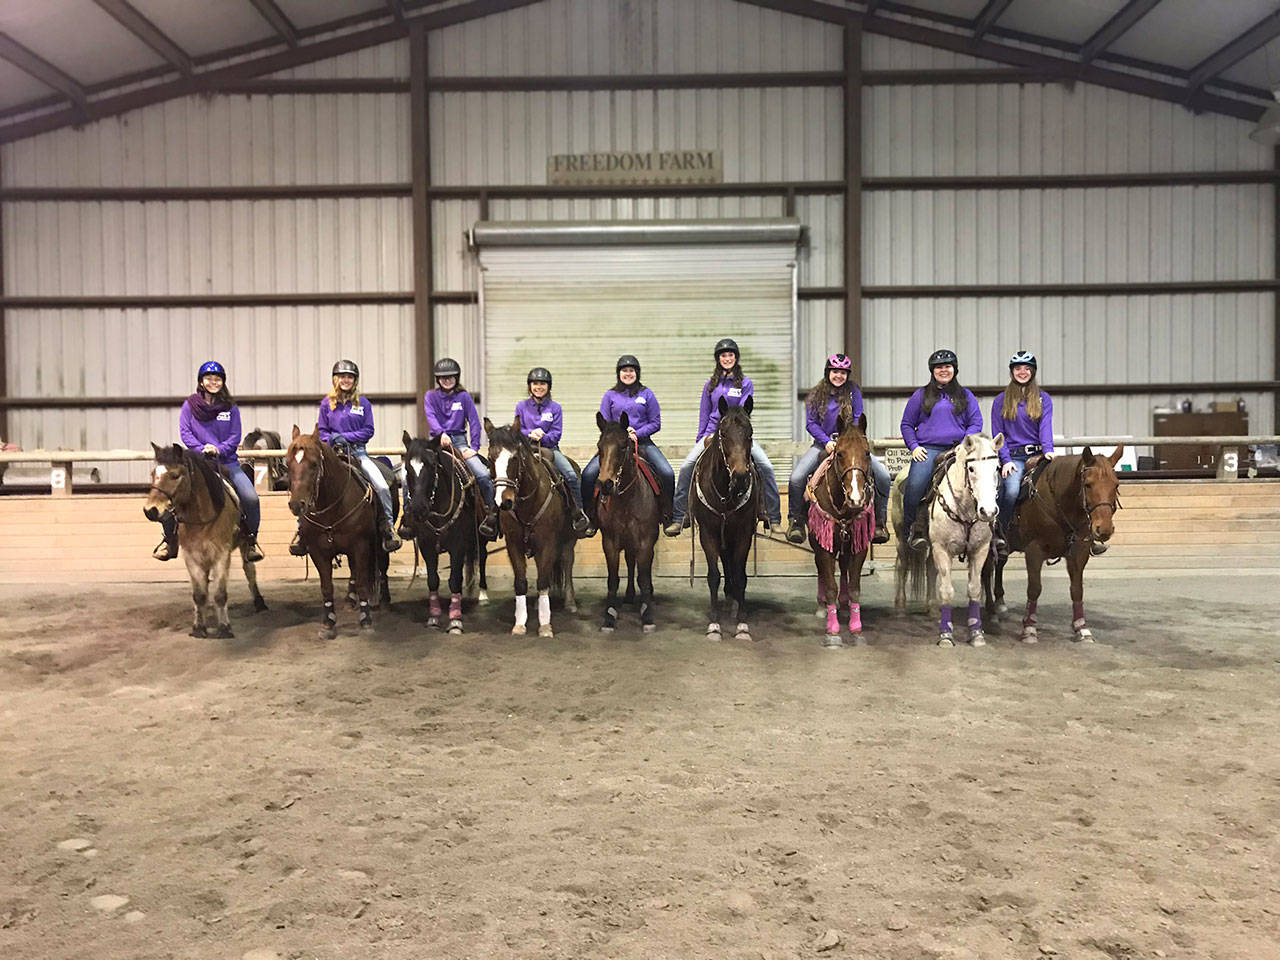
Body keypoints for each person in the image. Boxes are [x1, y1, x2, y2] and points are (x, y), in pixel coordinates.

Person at [666, 337, 781, 536]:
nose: (727, 358)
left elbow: (742, 412)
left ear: (736, 358)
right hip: (712, 433)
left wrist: (735, 431)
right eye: (723, 355)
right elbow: (704, 412)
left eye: (730, 355)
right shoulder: (710, 385)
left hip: (737, 435)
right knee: (686, 467)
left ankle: (772, 517)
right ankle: (680, 516)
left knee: (766, 467)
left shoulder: (746, 383)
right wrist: (701, 439)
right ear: (718, 359)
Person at [288, 359, 401, 556]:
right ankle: (301, 532)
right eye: (342, 377)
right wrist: (330, 439)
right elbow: (322, 431)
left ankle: (388, 529)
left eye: (350, 377)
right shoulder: (326, 404)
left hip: (358, 453)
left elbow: (368, 430)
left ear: (355, 381)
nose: (346, 380)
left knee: (382, 486)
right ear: (336, 379)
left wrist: (346, 437)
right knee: (310, 483)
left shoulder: (363, 403)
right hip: (332, 453)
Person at [153, 360, 263, 562]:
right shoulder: (190, 406)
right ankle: (170, 540)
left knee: (250, 498)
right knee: (171, 494)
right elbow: (185, 432)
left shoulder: (230, 408)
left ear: (223, 382)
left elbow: (235, 435)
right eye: (209, 378)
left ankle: (250, 540)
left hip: (227, 462)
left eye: (217, 379)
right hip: (198, 463)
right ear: (201, 382)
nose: (213, 382)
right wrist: (200, 449)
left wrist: (219, 449)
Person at [786, 352, 890, 545]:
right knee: (797, 478)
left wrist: (848, 438)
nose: (839, 376)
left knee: (883, 476)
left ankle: (880, 522)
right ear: (828, 372)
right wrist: (826, 441)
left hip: (849, 444)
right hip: (823, 444)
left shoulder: (853, 392)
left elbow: (858, 416)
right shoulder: (816, 395)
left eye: (843, 372)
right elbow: (811, 424)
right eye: (835, 371)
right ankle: (796, 521)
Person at [581, 355, 674, 535]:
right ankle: (590, 517)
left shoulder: (647, 394)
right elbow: (605, 423)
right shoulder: (610, 395)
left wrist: (637, 433)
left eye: (631, 370)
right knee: (588, 474)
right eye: (624, 370)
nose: (628, 373)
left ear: (637, 373)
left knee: (667, 472)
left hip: (643, 443)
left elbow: (655, 423)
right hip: (615, 446)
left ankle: (667, 515)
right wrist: (620, 434)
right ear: (619, 373)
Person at [900, 348, 983, 552]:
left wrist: (964, 444)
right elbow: (907, 424)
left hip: (958, 448)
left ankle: (986, 530)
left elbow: (975, 422)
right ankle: (912, 529)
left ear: (955, 369)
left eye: (947, 366)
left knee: (983, 481)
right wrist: (914, 447)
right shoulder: (920, 395)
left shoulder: (966, 395)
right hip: (928, 449)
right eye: (939, 367)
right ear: (932, 371)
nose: (943, 370)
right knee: (915, 486)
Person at [990, 350, 1056, 555]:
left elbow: (1045, 427)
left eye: (1027, 368)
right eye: (1018, 368)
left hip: (1038, 454)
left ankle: (1074, 536)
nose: (1022, 372)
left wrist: (1049, 450)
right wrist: (1005, 460)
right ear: (1012, 372)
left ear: (1033, 372)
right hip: (1014, 456)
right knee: (1010, 491)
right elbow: (998, 433)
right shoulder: (1001, 400)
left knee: (1062, 485)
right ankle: (999, 532)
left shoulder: (1043, 399)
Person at [424, 357, 498, 539]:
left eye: (450, 377)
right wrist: (441, 433)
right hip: (436, 442)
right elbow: (431, 417)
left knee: (483, 475)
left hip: (459, 442)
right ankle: (409, 517)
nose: (447, 380)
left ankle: (492, 514)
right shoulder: (430, 396)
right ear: (438, 379)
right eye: (443, 378)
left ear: (456, 378)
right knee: (412, 474)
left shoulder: (464, 397)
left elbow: (474, 422)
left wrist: (475, 447)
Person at [515, 366, 591, 537]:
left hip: (550, 448)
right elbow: (518, 429)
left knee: (571, 475)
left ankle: (579, 514)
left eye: (542, 384)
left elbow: (556, 433)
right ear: (530, 386)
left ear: (548, 386)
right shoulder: (521, 407)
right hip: (526, 449)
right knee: (507, 475)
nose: (539, 387)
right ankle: (498, 517)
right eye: (535, 383)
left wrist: (543, 436)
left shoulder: (555, 408)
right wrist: (530, 434)